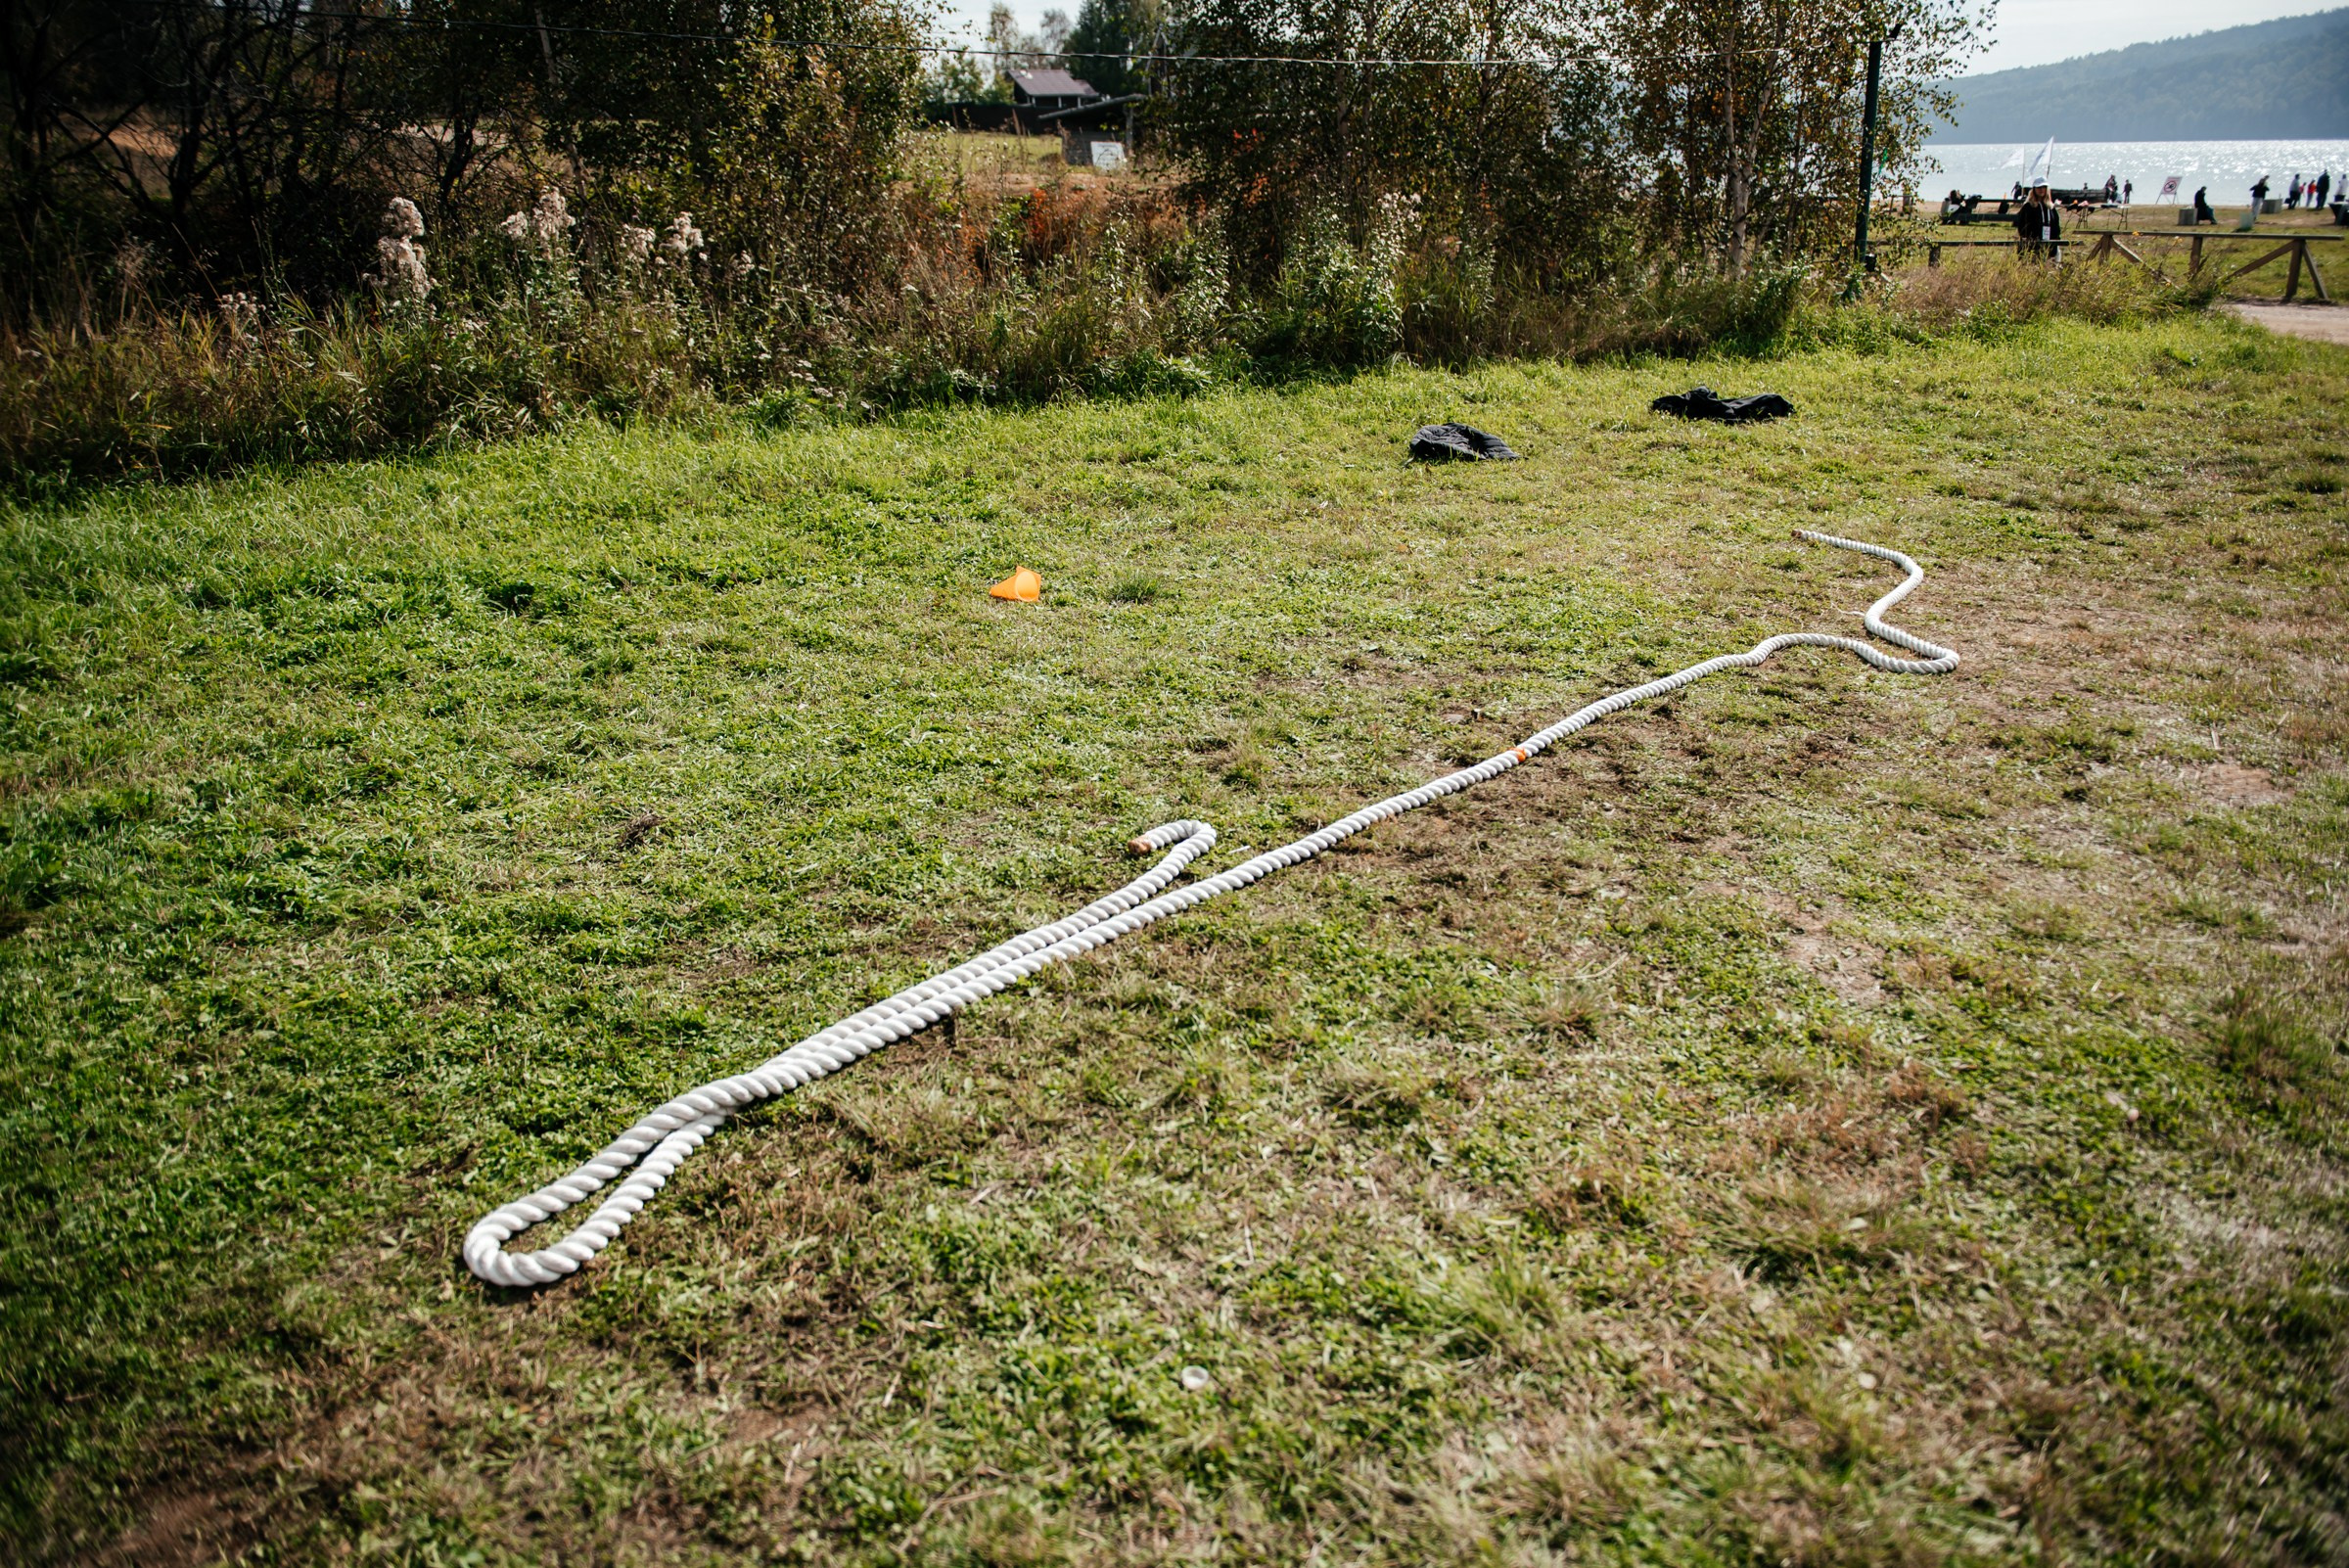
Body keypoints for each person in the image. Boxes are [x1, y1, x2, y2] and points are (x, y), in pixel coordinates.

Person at [2014, 180, 2061, 258]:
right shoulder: (2028, 207)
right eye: (2039, 187)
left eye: (2044, 187)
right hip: (2032, 247)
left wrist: (2056, 242)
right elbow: (2021, 226)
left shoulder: (2051, 208)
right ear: (2034, 189)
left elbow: (2056, 227)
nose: (2041, 189)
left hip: (2049, 246)